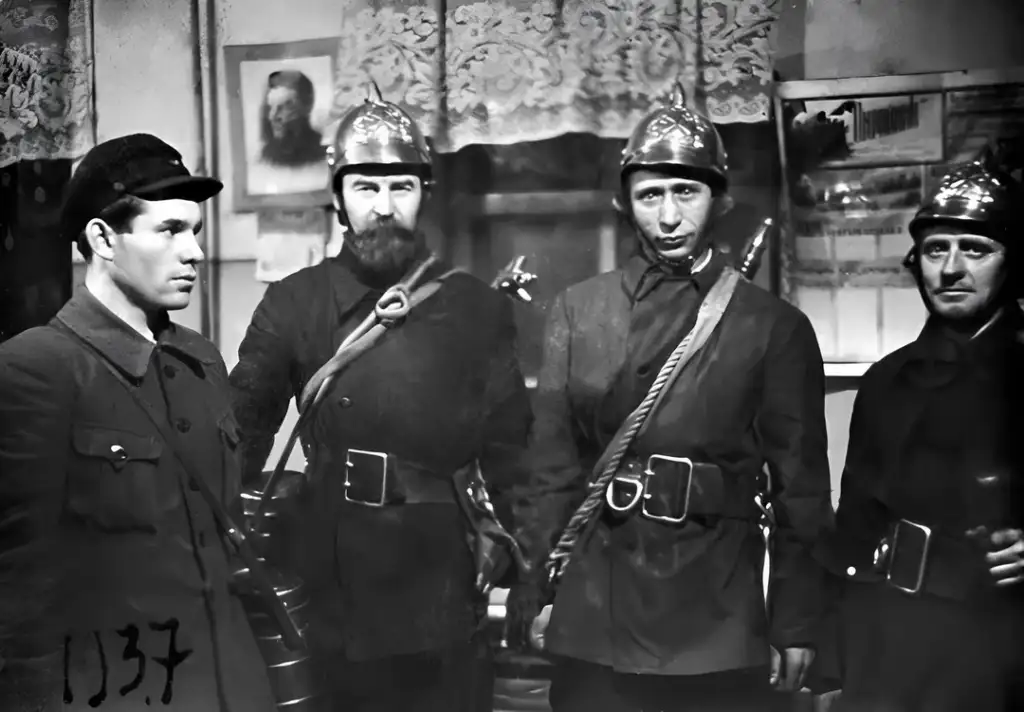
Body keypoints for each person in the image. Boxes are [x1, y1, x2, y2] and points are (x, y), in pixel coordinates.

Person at [505, 87, 835, 712]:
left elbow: (802, 493)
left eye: (686, 192)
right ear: (626, 205)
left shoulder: (772, 326)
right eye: (650, 195)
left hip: (716, 607)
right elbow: (550, 471)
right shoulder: (580, 311)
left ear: (718, 199)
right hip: (596, 602)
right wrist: (538, 592)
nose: (668, 216)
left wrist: (797, 618)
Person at [228, 86, 532, 712]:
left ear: (424, 195)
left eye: (402, 187)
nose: (384, 206)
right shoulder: (293, 303)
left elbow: (515, 461)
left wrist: (520, 570)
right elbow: (238, 440)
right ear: (338, 199)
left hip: (440, 587)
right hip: (327, 587)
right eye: (366, 187)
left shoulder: (475, 307)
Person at [0, 133, 276, 711]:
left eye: (195, 231)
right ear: (102, 237)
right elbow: (22, 594)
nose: (194, 251)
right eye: (169, 230)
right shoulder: (37, 369)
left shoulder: (201, 359)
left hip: (231, 685)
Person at [813, 155, 1024, 712]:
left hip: (1001, 647)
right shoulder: (888, 379)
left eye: (975, 249)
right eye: (936, 250)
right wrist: (837, 661)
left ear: (1012, 264)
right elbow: (856, 521)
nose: (951, 269)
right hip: (889, 645)